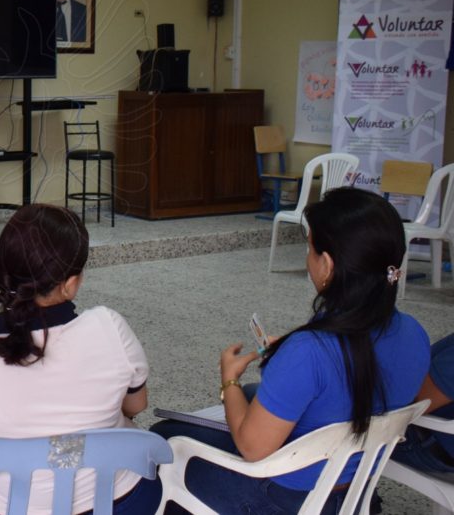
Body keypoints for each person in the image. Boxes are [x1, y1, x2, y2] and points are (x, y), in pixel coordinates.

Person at [152, 187, 431, 514]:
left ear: (327, 265)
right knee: (259, 393)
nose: (307, 259)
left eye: (310, 248)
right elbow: (355, 363)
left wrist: (229, 381)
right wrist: (294, 348)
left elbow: (252, 447)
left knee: (162, 439)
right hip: (352, 489)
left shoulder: (309, 353)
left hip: (285, 498)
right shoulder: (415, 334)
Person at [0, 204, 159, 514]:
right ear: (71, 282)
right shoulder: (109, 325)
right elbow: (135, 406)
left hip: (7, 507)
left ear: (2, 270)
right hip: (120, 502)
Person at [391, 332, 454, 473]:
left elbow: (412, 404)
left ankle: (342, 492)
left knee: (339, 420)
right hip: (438, 442)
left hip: (425, 442)